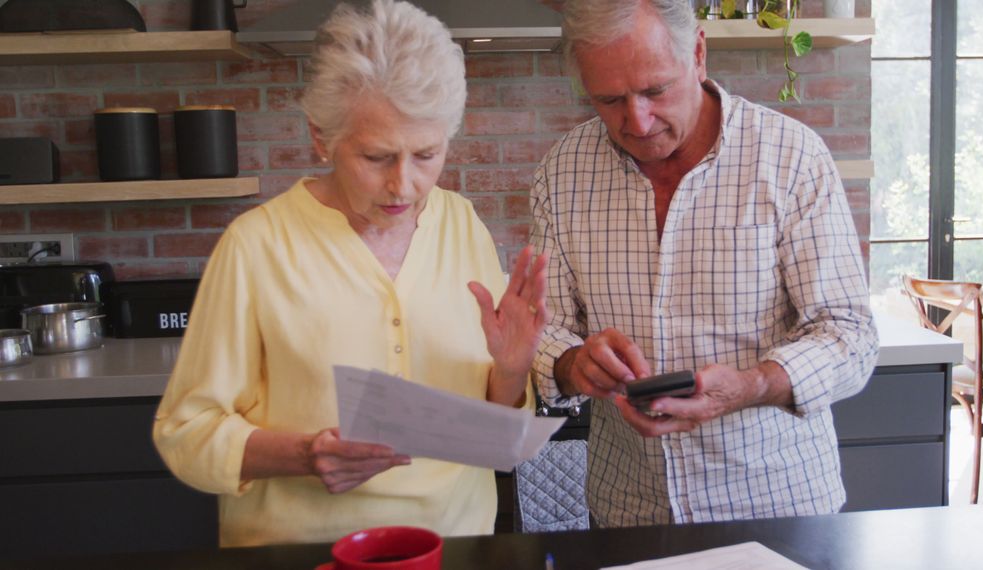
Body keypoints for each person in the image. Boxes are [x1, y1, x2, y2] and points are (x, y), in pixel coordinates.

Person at [153, 0, 548, 547]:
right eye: (377, 157)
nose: (404, 186)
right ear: (322, 138)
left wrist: (510, 370)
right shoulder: (257, 245)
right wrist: (303, 456)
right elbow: (185, 435)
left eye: (427, 154)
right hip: (302, 554)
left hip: (455, 550)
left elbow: (492, 433)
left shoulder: (461, 225)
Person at [530, 0, 879, 527]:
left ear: (697, 52)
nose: (637, 121)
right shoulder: (562, 172)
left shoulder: (791, 158)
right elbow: (546, 329)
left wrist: (750, 386)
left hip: (780, 507)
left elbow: (850, 336)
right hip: (629, 514)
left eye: (655, 90)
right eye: (609, 99)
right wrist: (573, 364)